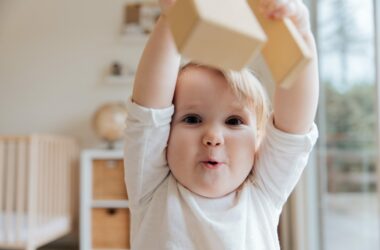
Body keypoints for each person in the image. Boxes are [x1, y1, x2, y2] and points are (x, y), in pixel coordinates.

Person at [124, 0, 319, 249]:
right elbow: (148, 112)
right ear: (165, 135)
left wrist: (301, 35)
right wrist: (174, 18)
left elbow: (294, 126)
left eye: (234, 121)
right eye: (192, 119)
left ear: (258, 140)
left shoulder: (262, 190)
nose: (213, 137)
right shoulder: (152, 186)